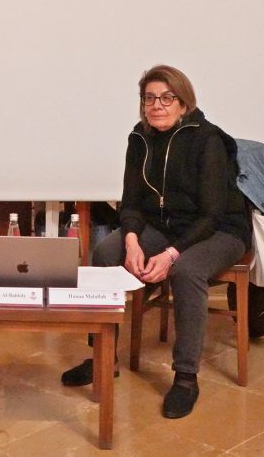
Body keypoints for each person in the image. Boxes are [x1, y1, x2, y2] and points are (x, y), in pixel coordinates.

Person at [60, 64, 250, 419]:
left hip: (220, 230)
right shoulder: (139, 138)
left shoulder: (208, 140)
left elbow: (212, 214)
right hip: (163, 226)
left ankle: (186, 377)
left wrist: (171, 254)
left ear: (183, 103)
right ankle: (103, 357)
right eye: (149, 98)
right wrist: (132, 240)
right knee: (106, 251)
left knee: (186, 270)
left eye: (166, 98)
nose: (157, 105)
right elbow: (131, 201)